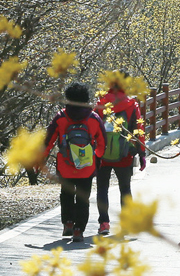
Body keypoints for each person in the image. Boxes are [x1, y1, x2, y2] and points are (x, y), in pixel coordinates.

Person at [43, 82, 106, 242]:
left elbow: (48, 141)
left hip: (66, 166)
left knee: (66, 194)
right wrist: (96, 157)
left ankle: (68, 223)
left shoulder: (61, 118)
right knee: (83, 198)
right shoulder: (94, 118)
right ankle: (79, 230)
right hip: (86, 166)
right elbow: (102, 143)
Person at [94, 70, 146, 236]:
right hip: (124, 154)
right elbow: (139, 129)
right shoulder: (131, 104)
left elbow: (94, 127)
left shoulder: (101, 103)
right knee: (125, 188)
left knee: (102, 188)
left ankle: (104, 223)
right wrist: (142, 152)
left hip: (102, 154)